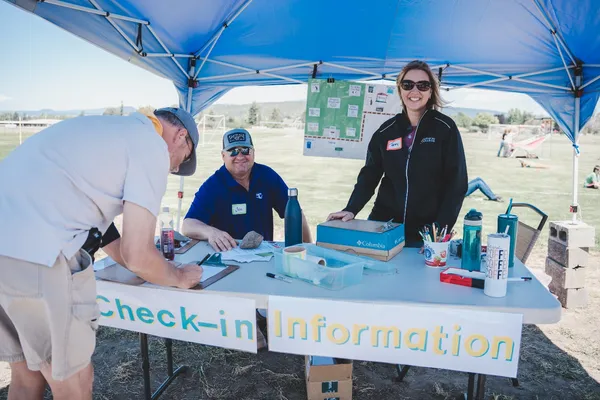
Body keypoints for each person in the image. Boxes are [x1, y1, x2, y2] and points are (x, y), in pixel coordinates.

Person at [0, 108, 204, 399]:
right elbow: (137, 253)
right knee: (75, 382)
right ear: (181, 136)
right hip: (36, 253)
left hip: (8, 246)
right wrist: (179, 276)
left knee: (26, 376)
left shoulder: (110, 131)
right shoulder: (151, 144)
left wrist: (147, 266)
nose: (172, 169)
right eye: (180, 160)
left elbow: (109, 237)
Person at [327, 60, 468, 247]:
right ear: (400, 89)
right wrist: (351, 209)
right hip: (384, 224)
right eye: (407, 85)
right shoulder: (386, 131)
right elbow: (370, 174)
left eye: (423, 85)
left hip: (426, 232)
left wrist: (440, 231)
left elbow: (456, 184)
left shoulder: (445, 128)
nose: (415, 91)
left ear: (431, 90)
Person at [182, 128, 312, 252]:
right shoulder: (213, 185)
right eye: (233, 151)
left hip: (263, 255)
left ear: (253, 153)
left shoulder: (267, 176)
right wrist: (211, 232)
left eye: (245, 150)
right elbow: (188, 225)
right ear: (223, 156)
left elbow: (296, 215)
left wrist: (308, 249)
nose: (240, 156)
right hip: (228, 256)